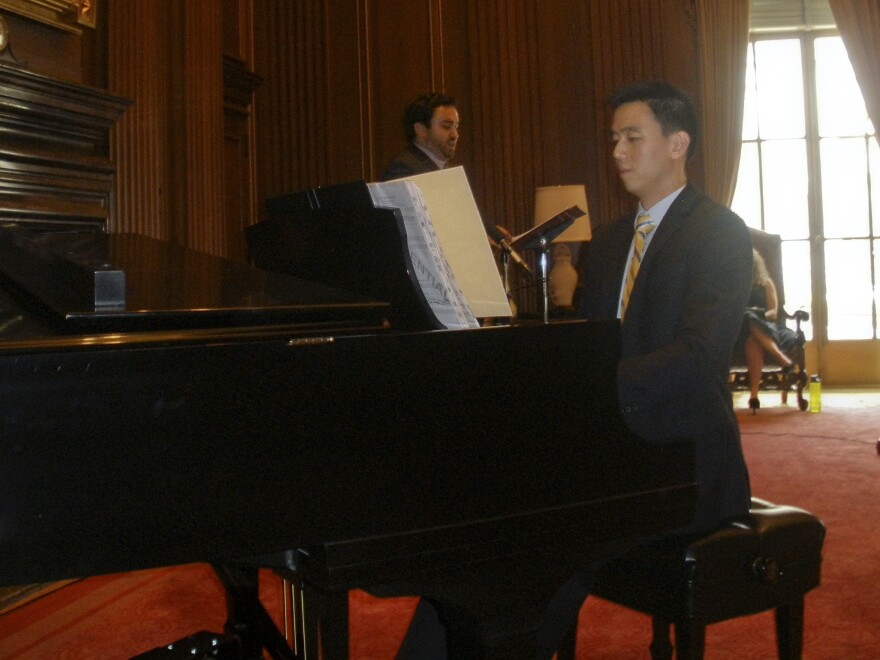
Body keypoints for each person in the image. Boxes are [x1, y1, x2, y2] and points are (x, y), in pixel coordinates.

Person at [532, 81, 755, 659]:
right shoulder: (606, 242)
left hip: (683, 460)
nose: (617, 152)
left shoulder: (719, 233)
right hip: (614, 453)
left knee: (550, 545)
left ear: (678, 143)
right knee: (510, 534)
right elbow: (593, 345)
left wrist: (601, 388)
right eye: (614, 139)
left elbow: (702, 354)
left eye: (633, 137)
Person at [740, 248, 798, 410]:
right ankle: (781, 359)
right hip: (741, 329)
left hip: (765, 325)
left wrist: (758, 314)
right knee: (747, 316)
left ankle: (753, 396)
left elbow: (773, 312)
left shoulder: (766, 283)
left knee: (753, 340)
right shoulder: (735, 284)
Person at [379, 92, 459, 181]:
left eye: (456, 126)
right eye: (446, 126)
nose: (455, 135)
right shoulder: (404, 169)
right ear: (421, 130)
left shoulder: (447, 169)